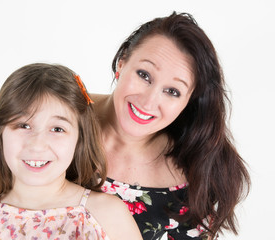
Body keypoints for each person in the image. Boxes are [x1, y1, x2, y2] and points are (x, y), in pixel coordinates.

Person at [0, 63, 142, 240]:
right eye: (23, 125)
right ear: (0, 132)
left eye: (57, 129)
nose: (37, 145)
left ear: (79, 140)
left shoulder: (104, 214)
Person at [93, 12, 250, 240]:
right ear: (122, 61)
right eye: (144, 75)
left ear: (189, 101)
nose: (148, 102)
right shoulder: (52, 114)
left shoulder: (195, 174)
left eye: (172, 91)